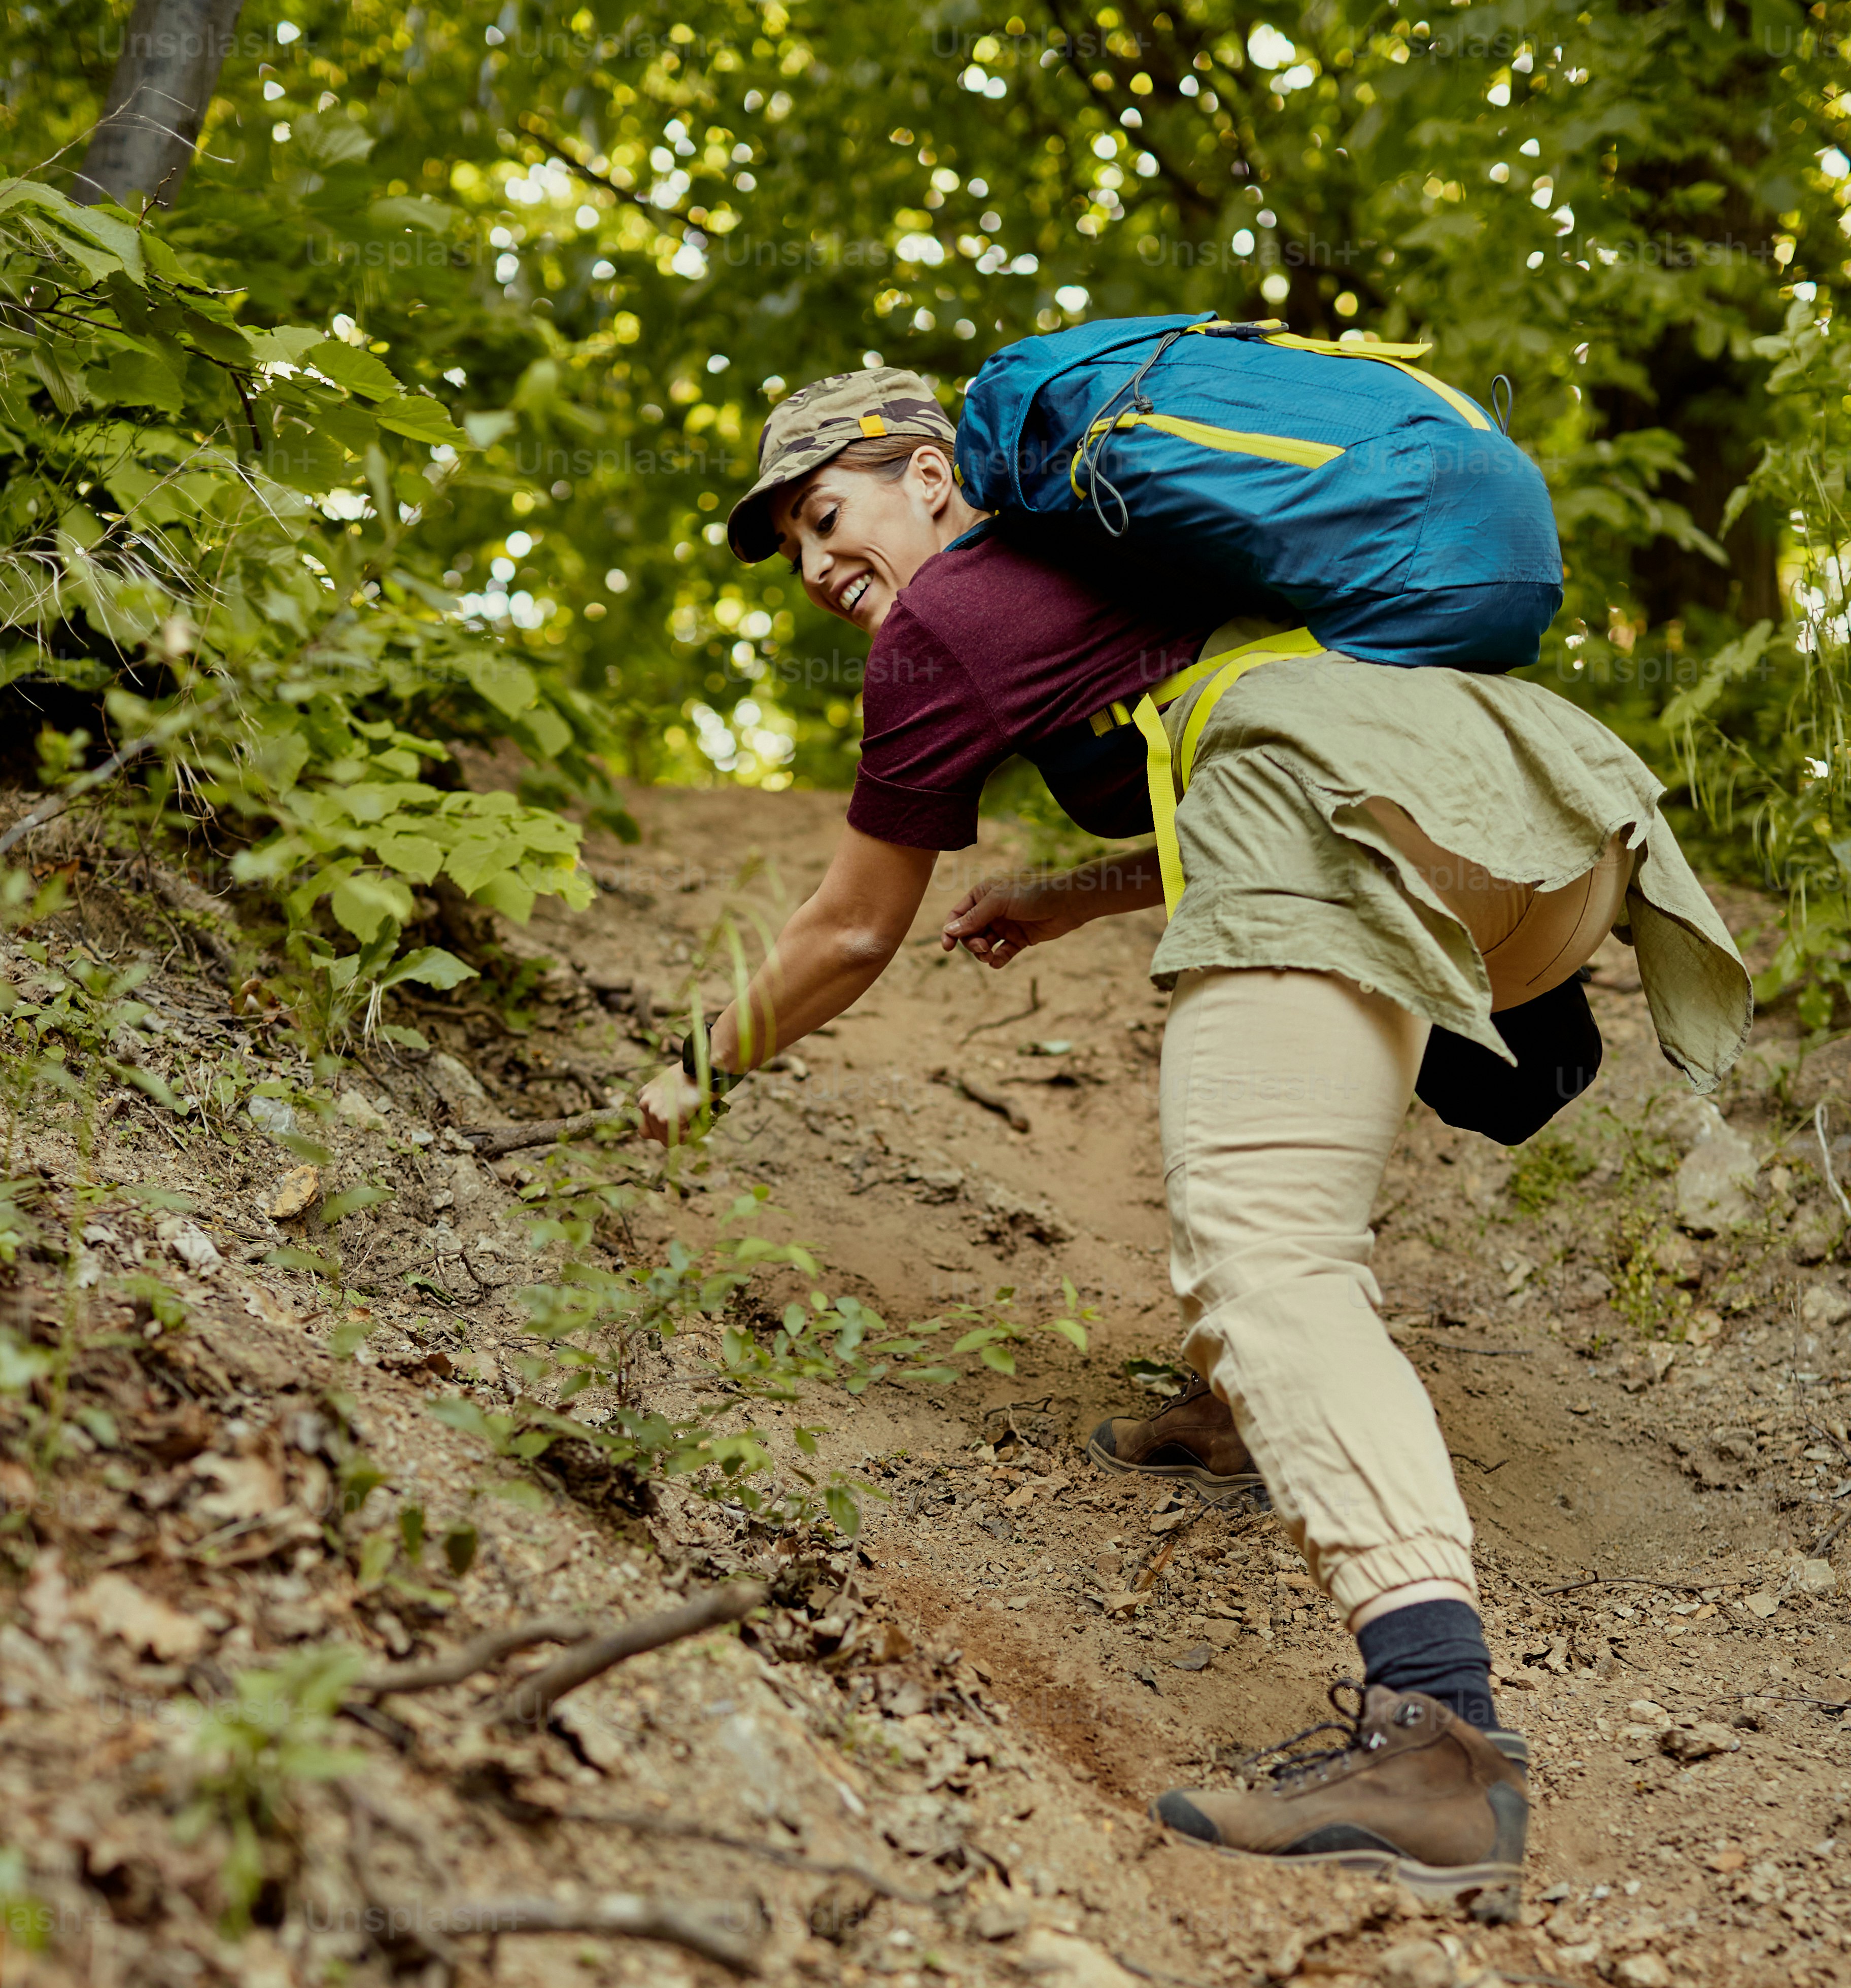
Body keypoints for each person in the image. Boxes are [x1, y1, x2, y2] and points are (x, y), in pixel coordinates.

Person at [639, 364, 1752, 1906]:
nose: (825, 570)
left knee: (1267, 1246)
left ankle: (1441, 1743)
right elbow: (1252, 723)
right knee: (1266, 1121)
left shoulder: (953, 617)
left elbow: (845, 932)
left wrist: (699, 1062)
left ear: (934, 475)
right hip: (1541, 816)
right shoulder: (1145, 543)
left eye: (831, 515)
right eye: (797, 551)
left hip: (1344, 811)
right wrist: (1069, 896)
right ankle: (1246, 1414)